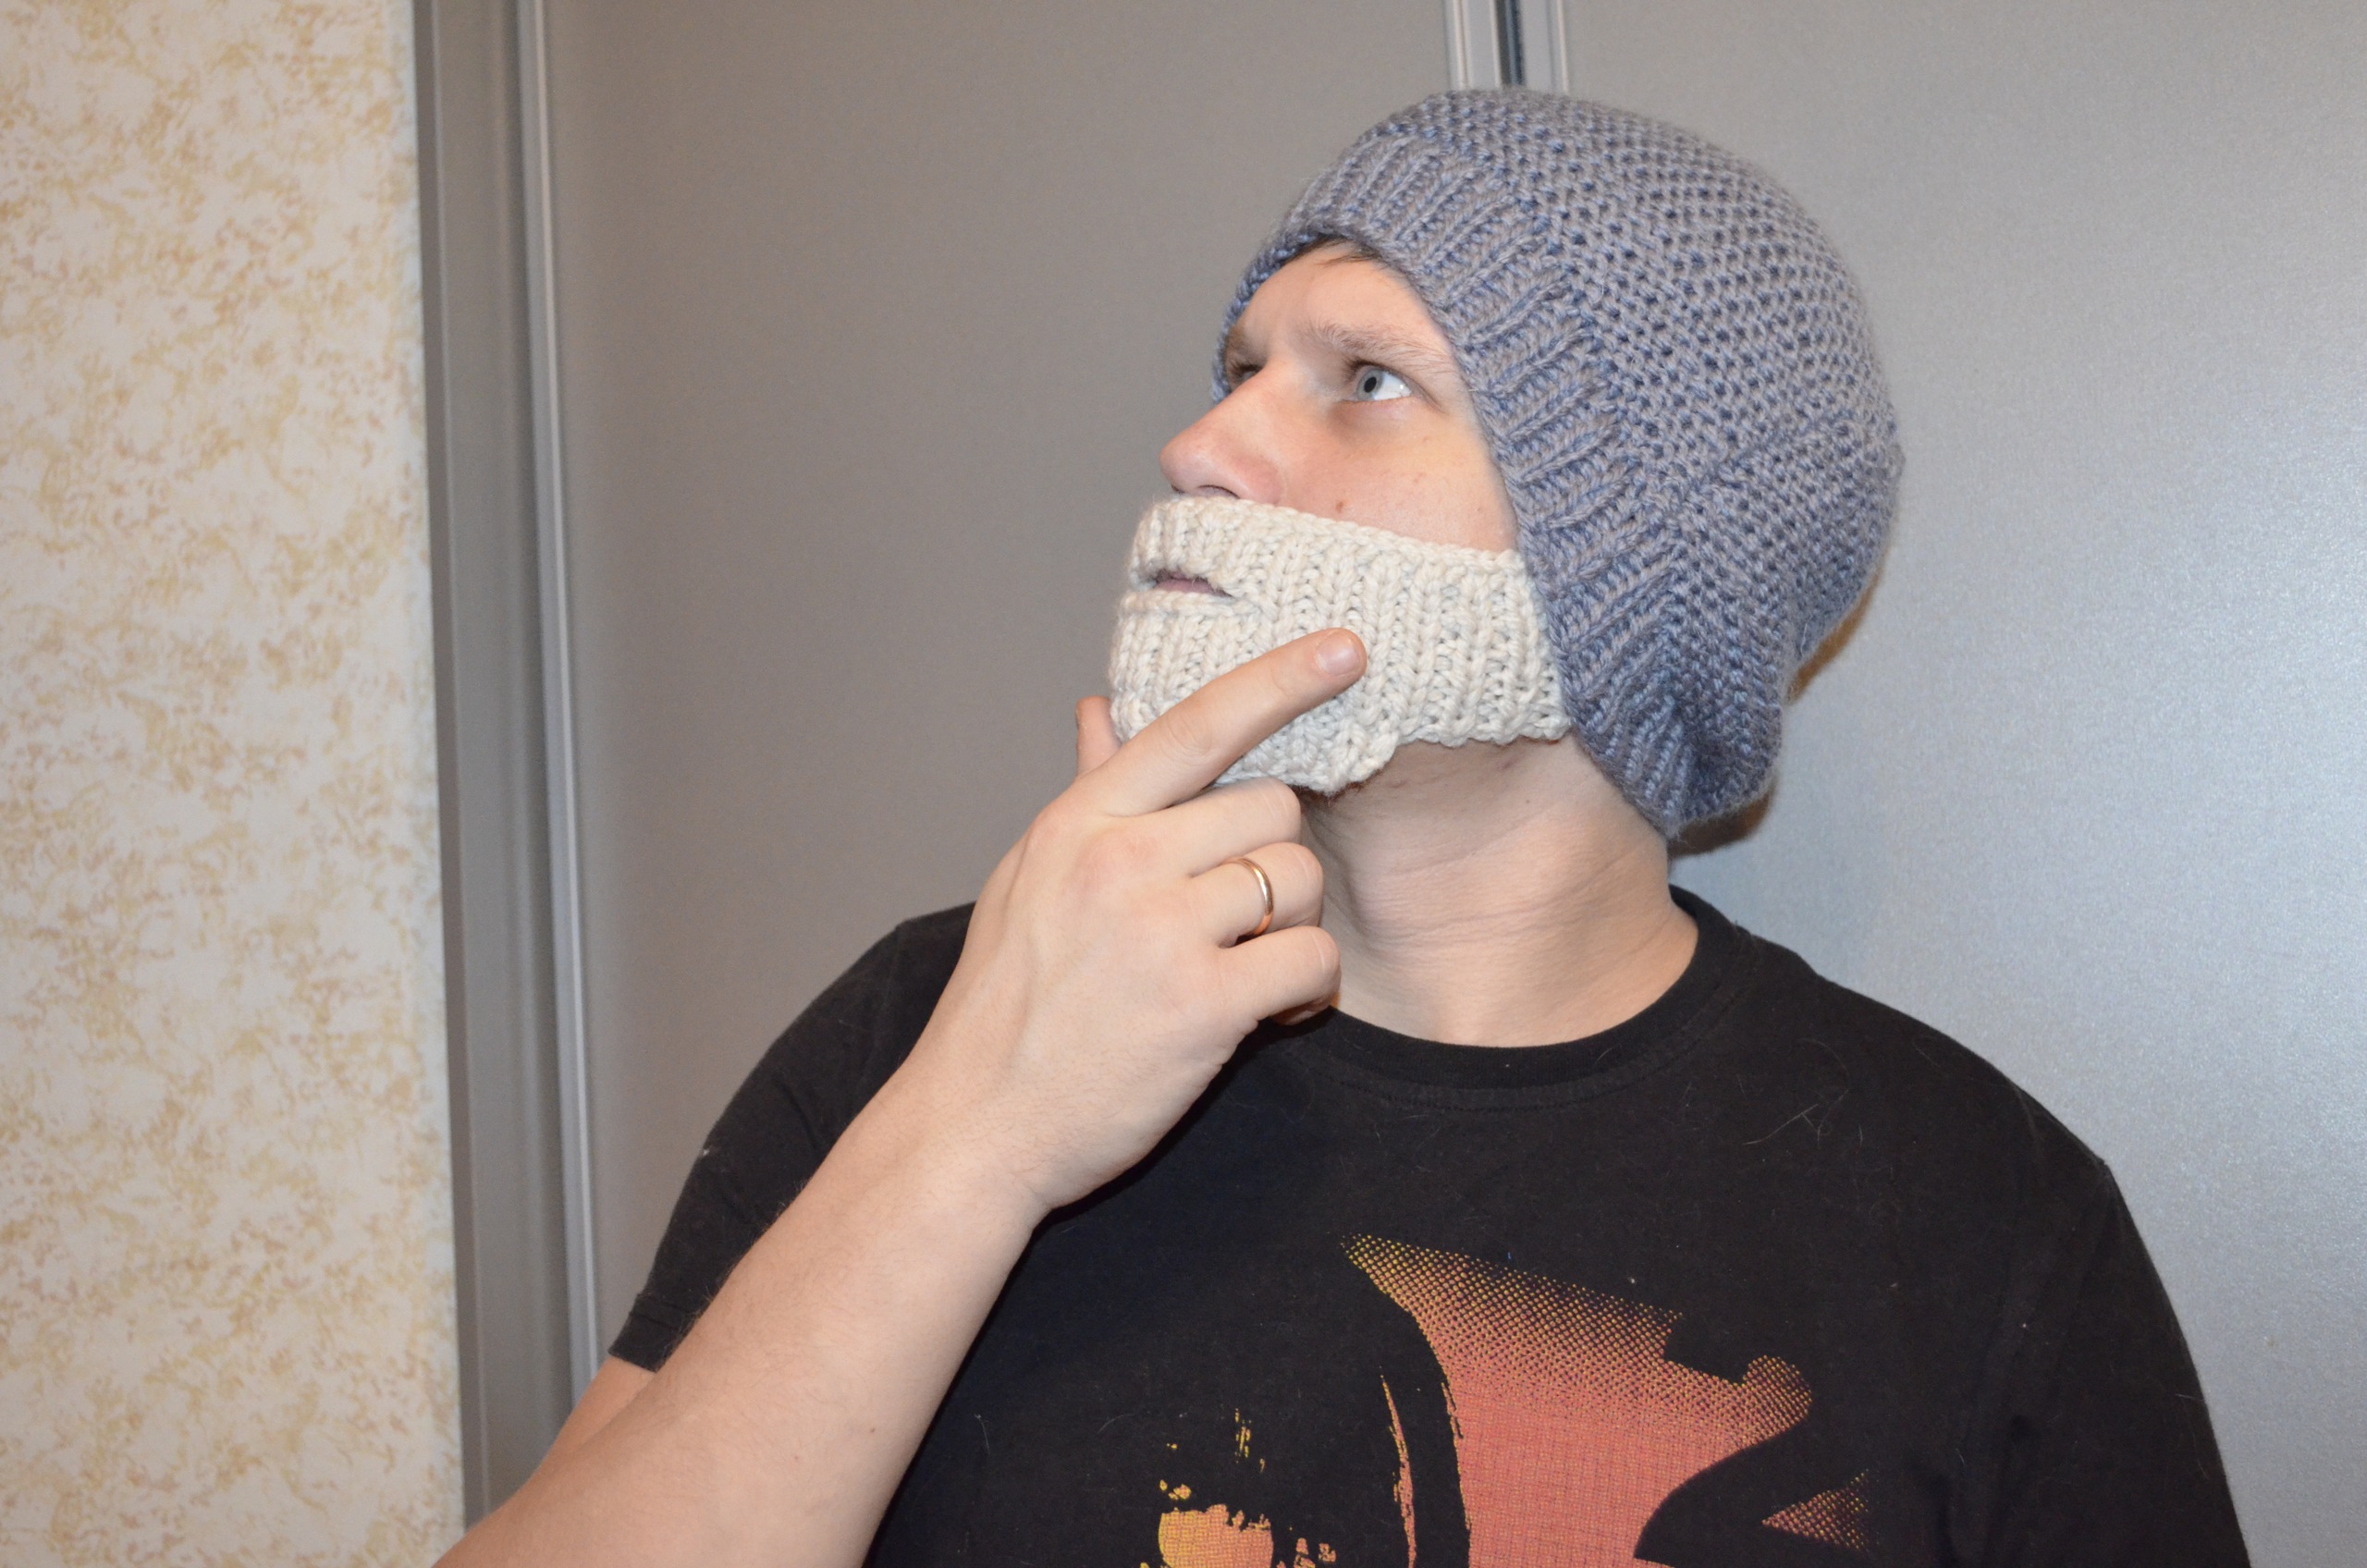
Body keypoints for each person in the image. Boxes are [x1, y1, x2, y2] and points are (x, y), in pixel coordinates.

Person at [439, 91, 2249, 1568]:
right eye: (1240, 364)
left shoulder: (1974, 1212)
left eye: (1364, 379)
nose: (1200, 444)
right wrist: (976, 1130)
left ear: (1630, 582)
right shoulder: (943, 1024)